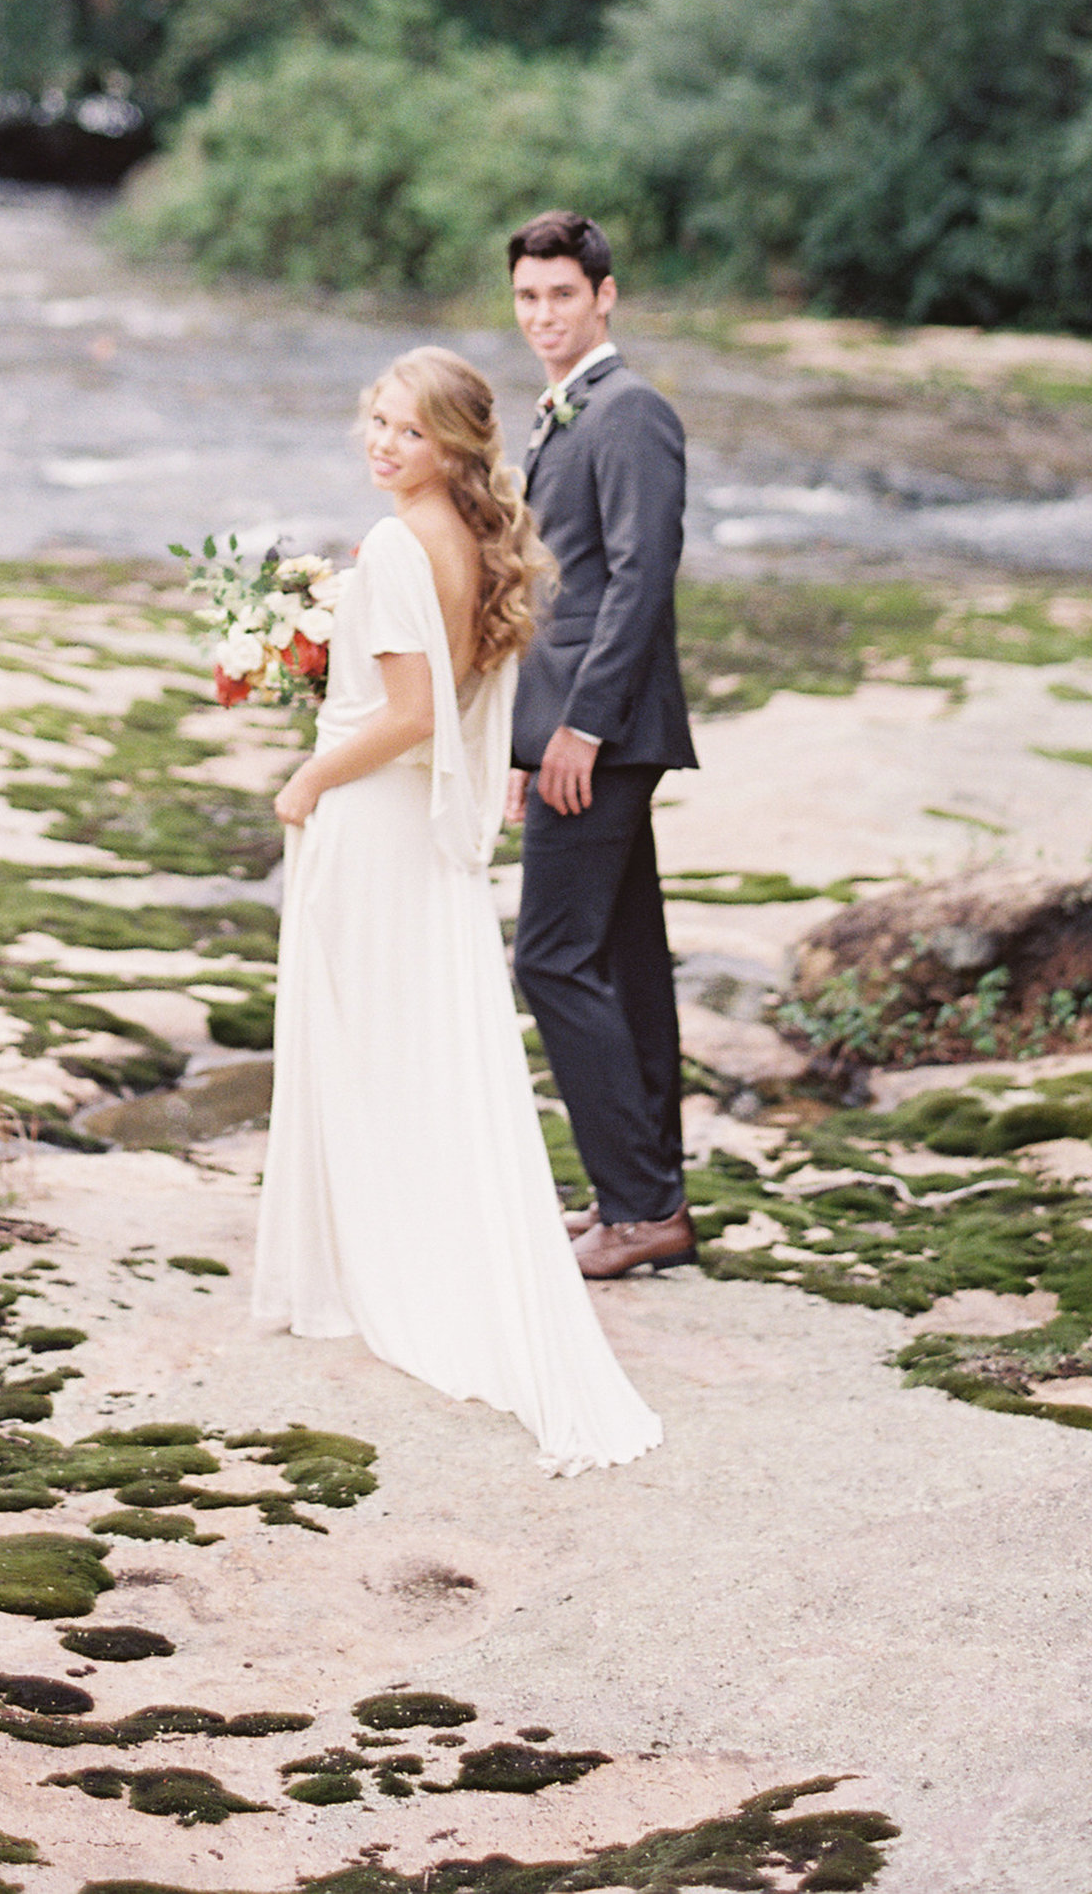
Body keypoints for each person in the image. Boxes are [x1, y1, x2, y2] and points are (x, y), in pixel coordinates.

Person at [251, 347, 661, 1474]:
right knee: (407, 1035)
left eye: (409, 431)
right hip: (413, 830)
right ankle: (407, 1246)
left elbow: (416, 712)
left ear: (452, 447)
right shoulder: (475, 538)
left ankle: (376, 1269)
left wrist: (310, 777)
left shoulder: (393, 542)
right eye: (376, 419)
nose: (383, 443)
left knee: (362, 1031)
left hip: (376, 814)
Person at [506, 209, 697, 1279]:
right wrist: (527, 742)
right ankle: (641, 1194)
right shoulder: (560, 411)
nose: (543, 317)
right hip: (574, 731)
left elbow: (638, 581)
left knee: (549, 955)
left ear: (605, 295)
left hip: (606, 732)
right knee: (622, 961)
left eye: (562, 297)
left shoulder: (630, 412)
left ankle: (638, 1205)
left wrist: (576, 728)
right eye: (528, 298)